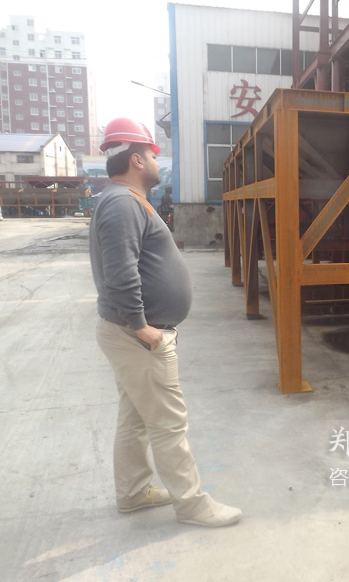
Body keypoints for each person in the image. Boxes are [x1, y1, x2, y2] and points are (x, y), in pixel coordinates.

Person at [90, 118, 241, 527]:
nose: (159, 162)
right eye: (154, 155)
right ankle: (192, 505)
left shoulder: (124, 199)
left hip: (129, 333)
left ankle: (134, 493)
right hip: (136, 335)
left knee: (136, 418)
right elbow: (121, 271)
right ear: (137, 159)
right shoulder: (123, 203)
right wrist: (141, 325)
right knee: (169, 423)